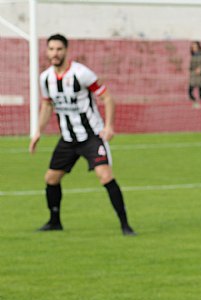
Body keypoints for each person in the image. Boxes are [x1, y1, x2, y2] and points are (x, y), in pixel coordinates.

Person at [29, 34, 135, 236]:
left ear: (66, 50)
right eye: (51, 49)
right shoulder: (46, 78)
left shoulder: (81, 73)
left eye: (59, 49)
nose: (55, 53)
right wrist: (38, 132)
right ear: (47, 51)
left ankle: (125, 225)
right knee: (51, 178)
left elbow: (107, 97)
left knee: (105, 176)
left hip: (91, 136)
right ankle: (54, 222)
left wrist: (109, 126)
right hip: (68, 139)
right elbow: (47, 105)